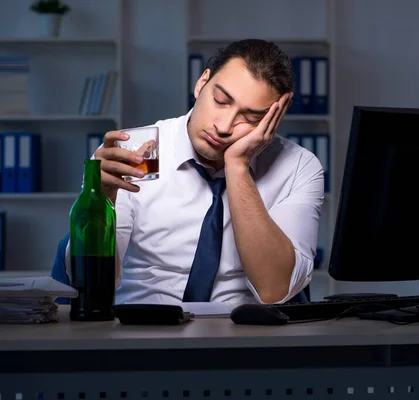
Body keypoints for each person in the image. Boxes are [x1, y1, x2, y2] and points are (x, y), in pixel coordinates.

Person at [54, 39, 325, 305]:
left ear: (274, 119)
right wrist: (101, 201)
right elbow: (90, 286)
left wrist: (238, 166)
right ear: (201, 82)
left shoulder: (298, 167)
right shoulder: (131, 151)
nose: (224, 126)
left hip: (242, 335)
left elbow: (274, 291)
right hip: (143, 330)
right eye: (220, 100)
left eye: (251, 118)